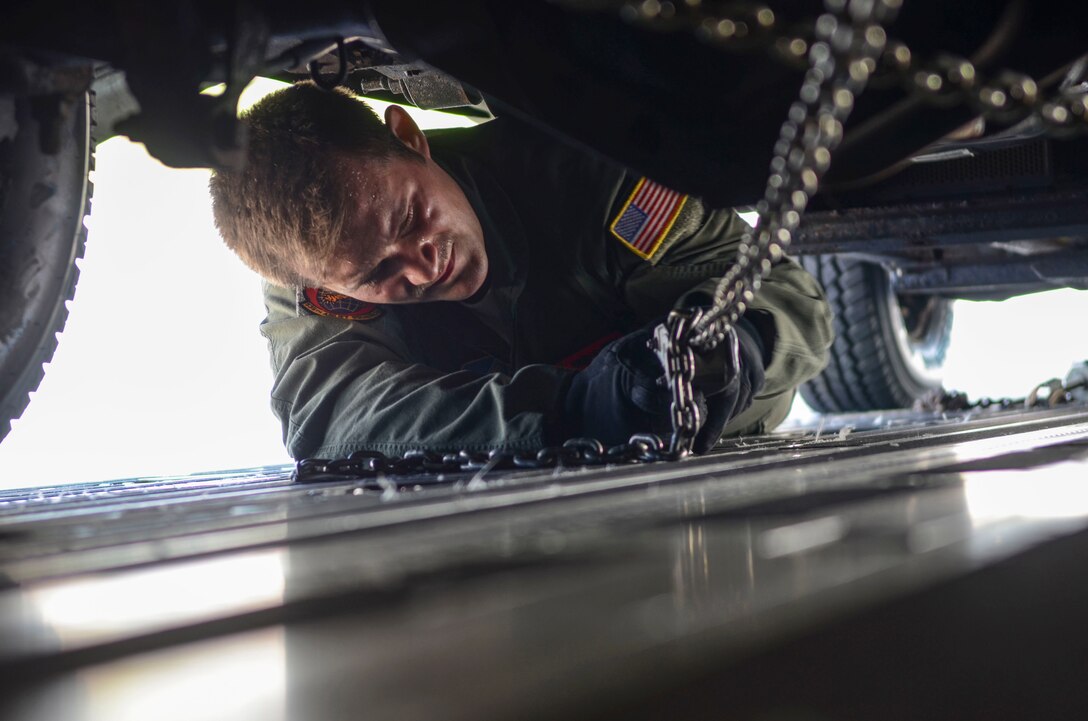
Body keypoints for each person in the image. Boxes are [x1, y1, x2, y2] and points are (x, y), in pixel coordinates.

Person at [210, 83, 833, 461]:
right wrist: (574, 411)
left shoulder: (595, 178)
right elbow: (333, 418)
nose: (424, 265)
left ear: (409, 136)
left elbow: (790, 297)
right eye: (378, 272)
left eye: (412, 216)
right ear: (323, 287)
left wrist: (735, 348)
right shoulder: (312, 275)